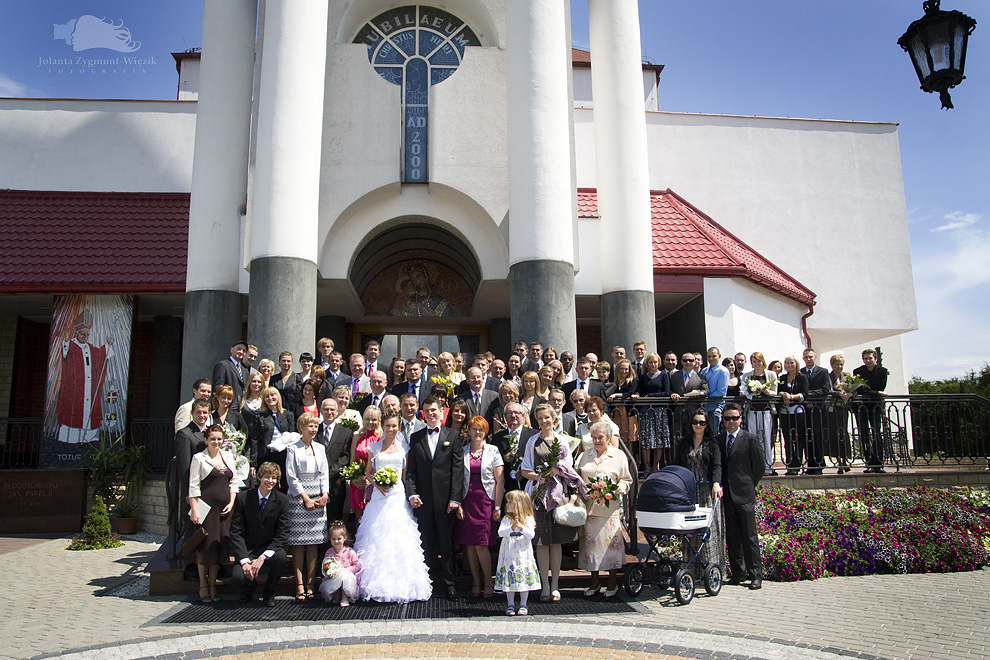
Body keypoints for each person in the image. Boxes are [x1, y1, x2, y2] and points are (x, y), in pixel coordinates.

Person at [358, 411, 434, 602]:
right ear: (382, 427)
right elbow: (367, 472)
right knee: (377, 537)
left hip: (397, 495)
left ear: (399, 427)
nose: (391, 429)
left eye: (394, 426)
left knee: (399, 539)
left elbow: (406, 475)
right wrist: (377, 483)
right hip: (379, 495)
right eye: (388, 426)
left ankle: (402, 585)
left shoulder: (403, 447)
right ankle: (377, 585)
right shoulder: (373, 447)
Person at [520, 404, 585, 603]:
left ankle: (555, 584)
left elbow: (568, 467)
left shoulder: (562, 441)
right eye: (539, 418)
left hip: (557, 496)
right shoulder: (532, 441)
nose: (543, 421)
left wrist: (556, 471)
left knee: (555, 541)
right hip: (538, 496)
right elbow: (525, 470)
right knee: (541, 542)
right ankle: (544, 585)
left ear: (554, 418)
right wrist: (539, 477)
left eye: (546, 417)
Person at [405, 397, 464, 601]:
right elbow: (411, 471)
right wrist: (412, 493)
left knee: (446, 546)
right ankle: (426, 585)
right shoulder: (416, 437)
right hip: (423, 501)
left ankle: (450, 585)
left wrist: (455, 498)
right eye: (427, 411)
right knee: (426, 544)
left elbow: (457, 470)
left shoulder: (453, 435)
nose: (431, 414)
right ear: (423, 413)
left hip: (446, 501)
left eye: (434, 410)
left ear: (441, 412)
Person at [575, 422, 633, 597]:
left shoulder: (618, 455)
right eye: (594, 437)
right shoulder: (585, 455)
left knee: (610, 546)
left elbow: (626, 480)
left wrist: (615, 489)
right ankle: (594, 582)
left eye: (600, 437)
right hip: (590, 509)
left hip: (609, 509)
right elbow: (577, 477)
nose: (597, 440)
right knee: (592, 548)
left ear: (609, 438)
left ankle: (612, 582)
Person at [454, 416, 504, 599]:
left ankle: (488, 582)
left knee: (481, 544)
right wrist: (457, 503)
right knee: (469, 545)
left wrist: (498, 506)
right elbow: (457, 480)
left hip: (485, 502)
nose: (477, 433)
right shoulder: (462, 450)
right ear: (468, 431)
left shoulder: (493, 451)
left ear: (486, 432)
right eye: (474, 429)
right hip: (466, 501)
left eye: (481, 430)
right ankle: (476, 581)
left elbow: (500, 481)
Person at [187, 424, 238, 602]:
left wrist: (231, 503)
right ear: (206, 440)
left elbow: (234, 483)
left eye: (219, 438)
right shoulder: (199, 458)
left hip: (224, 511)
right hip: (205, 509)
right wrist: (195, 510)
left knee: (218, 547)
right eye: (213, 439)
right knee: (205, 548)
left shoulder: (228, 456)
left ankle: (213, 585)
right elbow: (193, 486)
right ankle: (202, 585)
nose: (216, 442)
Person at [229, 461, 290, 607]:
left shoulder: (282, 500)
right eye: (267, 477)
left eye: (274, 478)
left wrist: (263, 557)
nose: (270, 481)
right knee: (237, 576)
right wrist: (244, 560)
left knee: (281, 558)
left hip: (269, 548)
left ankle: (269, 593)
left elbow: (283, 533)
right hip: (249, 548)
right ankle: (249, 587)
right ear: (259, 478)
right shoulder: (244, 498)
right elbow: (236, 531)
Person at [718, 403, 764, 589]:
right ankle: (738, 573)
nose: (731, 422)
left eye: (734, 418)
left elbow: (759, 467)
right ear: (723, 420)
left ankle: (755, 575)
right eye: (728, 418)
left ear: (740, 419)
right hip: (727, 495)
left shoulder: (750, 440)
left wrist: (749, 485)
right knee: (733, 536)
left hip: (744, 494)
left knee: (749, 536)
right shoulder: (719, 440)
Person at [675, 408, 725, 574]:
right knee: (691, 531)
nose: (698, 425)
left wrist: (716, 483)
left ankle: (711, 570)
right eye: (695, 422)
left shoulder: (713, 444)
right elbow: (678, 466)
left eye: (702, 422)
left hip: (707, 490)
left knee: (708, 530)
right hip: (690, 490)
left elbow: (717, 466)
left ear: (706, 425)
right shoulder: (683, 443)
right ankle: (692, 570)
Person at [285, 413, 329, 600]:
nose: (313, 429)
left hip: (318, 495)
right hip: (299, 497)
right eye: (309, 426)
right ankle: (299, 584)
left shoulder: (320, 448)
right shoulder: (292, 449)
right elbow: (291, 476)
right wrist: (305, 498)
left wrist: (325, 495)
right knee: (298, 543)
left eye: (315, 426)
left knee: (314, 542)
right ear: (301, 428)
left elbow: (324, 473)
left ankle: (311, 584)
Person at [175, 399, 210, 577]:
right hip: (194, 491)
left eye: (205, 413)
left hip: (210, 488)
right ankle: (190, 567)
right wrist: (190, 494)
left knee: (207, 529)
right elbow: (184, 468)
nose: (202, 416)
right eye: (199, 412)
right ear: (192, 413)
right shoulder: (185, 434)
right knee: (192, 528)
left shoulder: (211, 433)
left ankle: (207, 564)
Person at [495, 490, 539, 616]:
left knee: (522, 579)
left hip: (522, 555)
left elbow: (531, 535)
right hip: (509, 555)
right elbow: (500, 533)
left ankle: (523, 604)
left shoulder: (528, 519)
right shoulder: (506, 519)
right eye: (507, 502)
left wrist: (521, 528)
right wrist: (512, 528)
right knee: (510, 578)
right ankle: (510, 604)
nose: (507, 505)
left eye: (510, 502)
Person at [740, 351, 778, 477]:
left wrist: (763, 389)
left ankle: (767, 465)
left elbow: (774, 393)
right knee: (753, 437)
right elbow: (743, 391)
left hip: (766, 409)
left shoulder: (771, 374)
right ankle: (754, 464)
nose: (756, 364)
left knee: (766, 437)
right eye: (754, 361)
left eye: (758, 361)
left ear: (763, 361)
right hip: (752, 410)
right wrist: (751, 391)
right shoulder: (747, 375)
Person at [317, 398, 354, 522]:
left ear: (337, 411)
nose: (329, 412)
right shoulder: (313, 431)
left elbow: (345, 457)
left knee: (334, 521)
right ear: (320, 410)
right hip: (315, 484)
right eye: (326, 409)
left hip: (336, 485)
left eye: (332, 409)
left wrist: (327, 473)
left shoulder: (346, 433)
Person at [853, 348, 889, 473]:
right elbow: (860, 389)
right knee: (864, 434)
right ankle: (868, 462)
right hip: (862, 407)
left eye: (870, 358)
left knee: (876, 433)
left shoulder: (882, 371)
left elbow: (881, 387)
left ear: (876, 359)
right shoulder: (858, 371)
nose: (868, 361)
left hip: (875, 407)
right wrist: (877, 392)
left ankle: (878, 462)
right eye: (865, 358)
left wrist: (875, 392)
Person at [250, 388, 294, 487]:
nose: (270, 398)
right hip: (267, 454)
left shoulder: (288, 414)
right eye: (267, 396)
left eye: (272, 395)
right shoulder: (259, 416)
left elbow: (292, 435)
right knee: (266, 483)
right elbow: (254, 440)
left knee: (284, 483)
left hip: (284, 454)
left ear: (278, 396)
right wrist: (253, 463)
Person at [491, 402, 538, 493]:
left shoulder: (534, 435)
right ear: (504, 417)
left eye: (516, 413)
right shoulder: (497, 438)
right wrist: (503, 458)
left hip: (529, 485)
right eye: (509, 413)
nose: (513, 415)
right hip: (507, 487)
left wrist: (524, 471)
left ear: (522, 415)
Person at [638, 352, 670, 474]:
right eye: (651, 362)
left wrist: (651, 396)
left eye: (655, 362)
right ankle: (647, 466)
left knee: (659, 437)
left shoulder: (663, 375)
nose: (653, 364)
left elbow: (666, 392)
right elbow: (640, 392)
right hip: (646, 411)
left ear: (659, 363)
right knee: (646, 438)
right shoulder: (643, 377)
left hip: (659, 411)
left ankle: (656, 465)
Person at [348, 406, 382, 521]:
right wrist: (354, 478)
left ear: (379, 421)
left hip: (374, 482)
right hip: (357, 482)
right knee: (359, 518)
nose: (370, 422)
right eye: (367, 419)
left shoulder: (381, 438)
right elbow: (352, 460)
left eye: (374, 419)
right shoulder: (357, 437)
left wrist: (369, 480)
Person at [802, 348, 832, 475]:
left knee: (818, 437)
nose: (808, 359)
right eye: (806, 357)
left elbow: (825, 390)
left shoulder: (823, 372)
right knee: (806, 437)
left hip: (818, 409)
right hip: (804, 410)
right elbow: (798, 389)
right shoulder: (801, 372)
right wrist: (805, 400)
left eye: (810, 357)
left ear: (815, 357)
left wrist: (808, 397)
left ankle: (819, 464)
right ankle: (810, 463)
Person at [778, 356, 810, 475]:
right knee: (788, 439)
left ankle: (798, 464)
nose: (789, 365)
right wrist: (783, 395)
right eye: (787, 363)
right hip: (785, 412)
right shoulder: (782, 378)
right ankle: (790, 464)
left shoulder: (802, 377)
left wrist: (792, 397)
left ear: (796, 364)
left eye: (791, 363)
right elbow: (779, 390)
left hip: (798, 411)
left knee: (798, 438)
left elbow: (805, 393)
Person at [319, 520, 361, 606]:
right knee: (336, 577)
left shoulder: (350, 551)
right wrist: (330, 571)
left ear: (344, 538)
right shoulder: (329, 552)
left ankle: (345, 596)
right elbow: (326, 564)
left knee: (344, 576)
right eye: (333, 539)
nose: (336, 541)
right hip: (334, 578)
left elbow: (357, 565)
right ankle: (337, 594)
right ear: (330, 539)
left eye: (339, 539)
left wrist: (346, 570)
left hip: (347, 577)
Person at [827, 354, 853, 473]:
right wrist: (838, 393)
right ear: (832, 365)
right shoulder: (828, 377)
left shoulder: (847, 376)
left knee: (843, 432)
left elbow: (853, 389)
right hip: (832, 409)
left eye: (841, 364)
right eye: (837, 364)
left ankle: (845, 459)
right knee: (833, 433)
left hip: (843, 408)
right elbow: (828, 389)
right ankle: (838, 459)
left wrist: (849, 394)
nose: (839, 367)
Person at [607, 358, 639, 452]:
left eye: (626, 369)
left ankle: (630, 461)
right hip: (616, 412)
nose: (624, 371)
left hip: (628, 412)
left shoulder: (632, 380)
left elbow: (630, 392)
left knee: (629, 438)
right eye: (621, 368)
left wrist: (616, 395)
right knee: (618, 437)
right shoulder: (614, 381)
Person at [701, 347, 730, 431]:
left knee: (713, 435)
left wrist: (704, 396)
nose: (711, 358)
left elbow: (720, 392)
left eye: (714, 356)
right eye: (709, 356)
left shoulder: (723, 371)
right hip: (704, 408)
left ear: (719, 356)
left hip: (715, 408)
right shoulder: (704, 371)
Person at [212, 340, 247, 405]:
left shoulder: (245, 370)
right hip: (227, 406)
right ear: (232, 350)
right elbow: (218, 388)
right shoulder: (222, 365)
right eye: (239, 349)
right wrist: (217, 406)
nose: (241, 352)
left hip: (241, 407)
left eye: (244, 350)